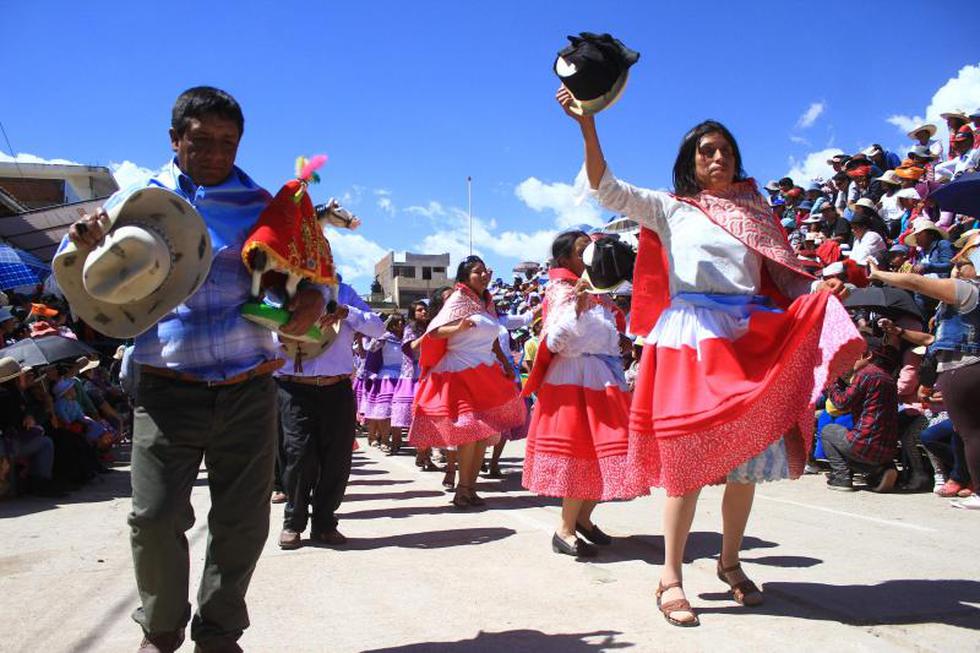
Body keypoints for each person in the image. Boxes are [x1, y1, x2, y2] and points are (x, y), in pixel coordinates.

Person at [557, 88, 862, 626]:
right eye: (706, 151)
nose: (717, 158)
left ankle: (730, 562)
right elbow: (606, 187)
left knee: (745, 465)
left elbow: (788, 277)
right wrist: (588, 125)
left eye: (725, 150)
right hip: (691, 338)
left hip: (749, 338)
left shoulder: (758, 213)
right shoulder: (671, 208)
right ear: (690, 162)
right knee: (688, 462)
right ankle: (670, 576)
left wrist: (821, 291)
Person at [65, 86, 325, 653]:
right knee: (154, 517)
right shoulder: (136, 203)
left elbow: (305, 279)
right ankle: (161, 631)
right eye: (201, 141)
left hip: (248, 383)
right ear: (174, 138)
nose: (214, 154)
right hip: (165, 385)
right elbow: (83, 272)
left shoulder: (263, 205)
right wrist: (84, 241)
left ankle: (219, 633)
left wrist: (312, 301)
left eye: (228, 142)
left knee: (243, 520)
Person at [522, 230, 646, 557]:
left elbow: (603, 336)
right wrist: (576, 306)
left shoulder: (601, 294)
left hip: (603, 381)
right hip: (572, 381)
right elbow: (554, 342)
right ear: (565, 259)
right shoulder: (561, 291)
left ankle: (583, 519)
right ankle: (564, 529)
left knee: (612, 455)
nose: (589, 256)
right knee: (580, 454)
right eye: (581, 252)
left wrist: (618, 340)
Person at [868, 237, 980, 509]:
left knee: (971, 433)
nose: (955, 267)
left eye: (962, 263)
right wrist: (900, 332)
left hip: (963, 367)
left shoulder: (969, 290)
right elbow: (932, 340)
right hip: (967, 366)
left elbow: (917, 283)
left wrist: (879, 274)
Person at [408, 256, 526, 508]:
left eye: (485, 271)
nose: (483, 275)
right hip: (459, 371)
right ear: (464, 277)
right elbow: (434, 332)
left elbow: (492, 338)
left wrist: (505, 364)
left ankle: (470, 489)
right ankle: (462, 489)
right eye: (476, 272)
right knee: (470, 433)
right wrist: (458, 329)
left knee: (483, 433)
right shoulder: (458, 298)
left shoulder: (486, 302)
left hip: (485, 372)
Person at [277, 279, 385, 550]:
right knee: (299, 456)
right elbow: (264, 328)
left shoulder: (344, 291)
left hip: (337, 387)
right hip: (294, 387)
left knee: (337, 459)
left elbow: (377, 327)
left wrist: (347, 313)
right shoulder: (281, 287)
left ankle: (325, 523)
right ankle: (293, 522)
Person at [820, 337, 900, 492]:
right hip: (887, 449)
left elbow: (842, 403)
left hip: (865, 443)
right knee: (847, 434)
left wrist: (831, 381)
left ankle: (841, 477)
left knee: (828, 431)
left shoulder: (867, 374)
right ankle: (879, 471)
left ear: (867, 355)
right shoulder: (887, 377)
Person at [361, 313, 405, 452]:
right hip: (385, 378)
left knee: (398, 411)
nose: (401, 324)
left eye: (402, 321)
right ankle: (385, 440)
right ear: (391, 324)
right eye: (398, 321)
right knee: (384, 412)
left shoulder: (406, 340)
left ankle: (397, 439)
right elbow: (371, 353)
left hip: (402, 378)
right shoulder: (383, 339)